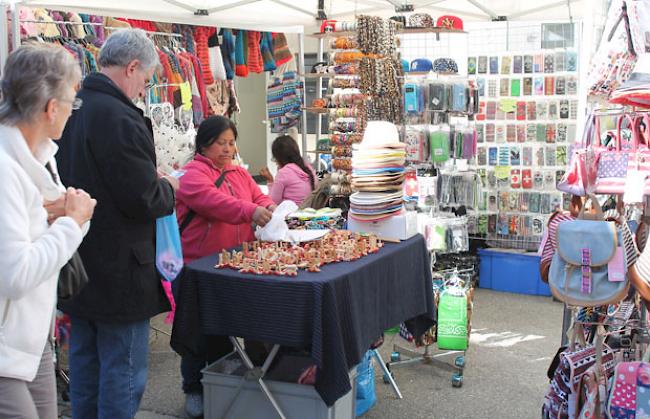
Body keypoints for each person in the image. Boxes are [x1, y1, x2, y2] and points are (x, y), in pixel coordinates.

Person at [55, 29, 178, 419]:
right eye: (146, 78)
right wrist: (168, 186)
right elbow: (144, 199)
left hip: (77, 259)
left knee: (87, 368)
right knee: (122, 373)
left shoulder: (68, 107)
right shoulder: (120, 116)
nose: (145, 87)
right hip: (121, 268)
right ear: (132, 67)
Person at [0, 44, 96, 418]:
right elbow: (16, 275)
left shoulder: (38, 155)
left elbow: (51, 240)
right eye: (73, 100)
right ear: (51, 108)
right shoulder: (7, 169)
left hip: (31, 336)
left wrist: (67, 220)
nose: (74, 111)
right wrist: (72, 222)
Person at [174, 115, 276, 418]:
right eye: (221, 142)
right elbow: (214, 202)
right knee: (199, 334)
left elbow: (258, 195)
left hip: (236, 264)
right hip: (199, 269)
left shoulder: (239, 173)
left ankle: (226, 389)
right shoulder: (191, 175)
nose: (228, 148)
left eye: (231, 142)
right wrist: (252, 211)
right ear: (204, 144)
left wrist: (270, 207)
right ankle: (193, 389)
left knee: (233, 330)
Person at [260, 135, 317, 205]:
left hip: (291, 214)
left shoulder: (284, 173)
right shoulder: (309, 168)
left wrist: (270, 181)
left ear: (279, 157)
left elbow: (273, 202)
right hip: (308, 212)